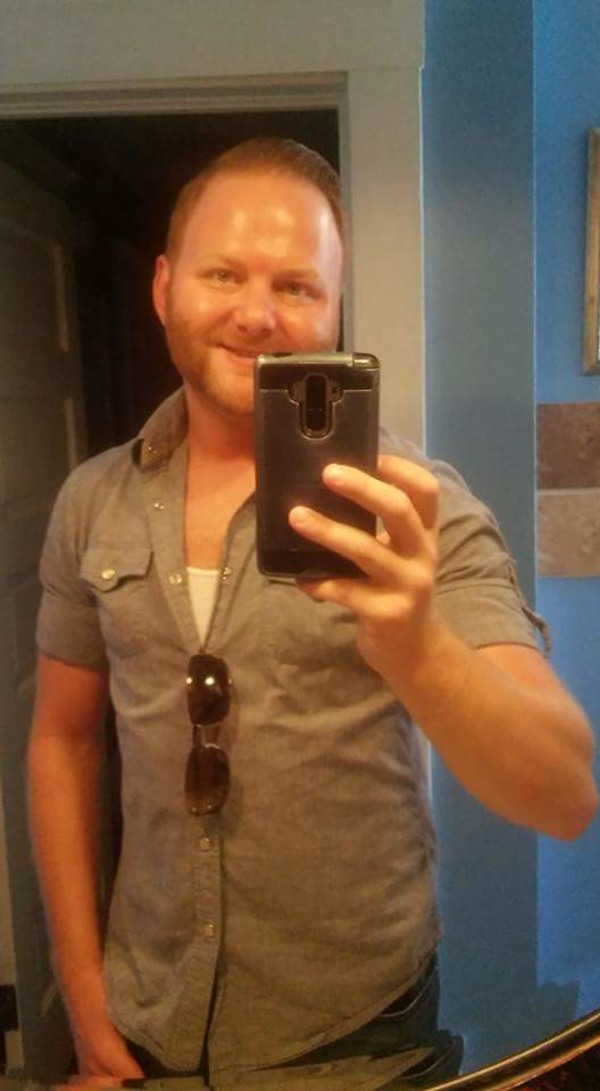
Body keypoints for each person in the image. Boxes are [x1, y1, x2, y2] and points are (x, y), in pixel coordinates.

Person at [27, 138, 598, 1086]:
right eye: (223, 274)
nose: (257, 314)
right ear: (164, 286)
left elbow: (563, 793)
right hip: (140, 1019)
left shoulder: (414, 506)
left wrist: (416, 646)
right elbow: (63, 740)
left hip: (356, 1041)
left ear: (334, 310)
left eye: (297, 286)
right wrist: (80, 984)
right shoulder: (92, 503)